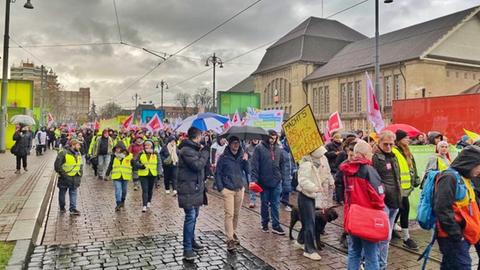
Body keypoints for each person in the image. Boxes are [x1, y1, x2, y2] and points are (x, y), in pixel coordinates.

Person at [339, 141, 385, 270]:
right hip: (368, 217)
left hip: (352, 216)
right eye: (370, 152)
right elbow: (378, 196)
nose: (371, 155)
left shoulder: (347, 170)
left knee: (354, 251)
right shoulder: (369, 170)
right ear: (364, 154)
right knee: (371, 255)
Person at [434, 146, 480, 269]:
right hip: (454, 237)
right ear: (470, 163)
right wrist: (456, 234)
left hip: (462, 235)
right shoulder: (449, 177)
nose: (479, 171)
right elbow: (442, 208)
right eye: (478, 166)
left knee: (449, 265)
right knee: (462, 266)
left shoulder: (464, 177)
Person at [177, 127, 210, 262]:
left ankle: (191, 241)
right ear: (197, 136)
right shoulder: (187, 151)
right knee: (190, 217)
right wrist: (205, 153)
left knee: (195, 216)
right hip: (188, 188)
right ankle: (187, 248)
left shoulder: (195, 149)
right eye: (201, 135)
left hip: (195, 188)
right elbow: (197, 165)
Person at [295, 146, 333, 261]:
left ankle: (300, 241)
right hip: (306, 196)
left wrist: (330, 181)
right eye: (320, 155)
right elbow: (302, 181)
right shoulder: (306, 164)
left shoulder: (317, 162)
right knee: (310, 222)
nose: (322, 157)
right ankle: (309, 250)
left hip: (312, 196)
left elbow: (326, 172)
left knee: (309, 221)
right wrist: (315, 188)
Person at [372, 131, 401, 269]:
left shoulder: (394, 157)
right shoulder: (376, 158)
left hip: (395, 200)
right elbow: (375, 180)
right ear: (379, 142)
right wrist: (381, 196)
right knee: (383, 237)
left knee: (387, 238)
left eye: (391, 144)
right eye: (386, 144)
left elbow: (397, 179)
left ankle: (382, 264)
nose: (389, 146)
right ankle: (379, 264)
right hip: (384, 201)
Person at [215, 136, 249, 251]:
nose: (236, 145)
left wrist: (246, 160)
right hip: (228, 189)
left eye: (237, 143)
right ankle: (229, 239)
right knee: (229, 213)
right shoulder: (223, 157)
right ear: (229, 144)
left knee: (236, 213)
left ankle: (233, 232)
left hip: (239, 188)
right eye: (234, 143)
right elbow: (218, 173)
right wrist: (221, 188)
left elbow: (248, 170)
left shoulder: (241, 156)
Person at [251, 129, 287, 235]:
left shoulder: (279, 149)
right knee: (265, 204)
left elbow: (283, 165)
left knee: (275, 204)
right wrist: (254, 180)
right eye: (271, 137)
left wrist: (283, 178)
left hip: (276, 181)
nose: (273, 139)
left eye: (275, 137)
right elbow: (254, 165)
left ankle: (276, 225)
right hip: (264, 181)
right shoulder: (259, 148)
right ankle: (265, 223)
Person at [391, 130, 420, 250]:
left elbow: (412, 166)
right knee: (400, 210)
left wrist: (416, 178)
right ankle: (406, 238)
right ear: (399, 139)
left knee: (400, 211)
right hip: (397, 189)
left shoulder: (407, 151)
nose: (408, 139)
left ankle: (400, 233)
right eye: (406, 138)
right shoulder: (394, 152)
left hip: (405, 189)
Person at [54, 139, 83, 215]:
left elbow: (80, 165)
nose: (79, 146)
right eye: (78, 145)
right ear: (73, 145)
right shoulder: (63, 153)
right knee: (62, 192)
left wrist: (80, 174)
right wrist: (64, 175)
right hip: (65, 178)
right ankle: (62, 207)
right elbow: (57, 166)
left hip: (75, 177)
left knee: (73, 192)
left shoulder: (78, 153)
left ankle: (73, 208)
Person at [106, 143, 134, 212]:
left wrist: (140, 166)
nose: (117, 150)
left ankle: (122, 200)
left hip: (125, 176)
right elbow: (110, 164)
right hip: (116, 176)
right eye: (116, 148)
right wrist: (107, 173)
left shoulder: (129, 156)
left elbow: (134, 164)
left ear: (122, 148)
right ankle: (118, 204)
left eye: (119, 148)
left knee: (124, 190)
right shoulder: (114, 156)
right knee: (118, 190)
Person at [137, 140, 161, 212]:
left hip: (152, 174)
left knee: (150, 189)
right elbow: (135, 162)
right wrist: (140, 166)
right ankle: (144, 205)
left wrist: (159, 172)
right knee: (145, 190)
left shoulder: (155, 153)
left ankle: (148, 202)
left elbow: (159, 163)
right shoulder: (141, 153)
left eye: (148, 145)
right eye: (145, 145)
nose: (147, 147)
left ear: (152, 146)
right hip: (143, 174)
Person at [246, 139, 260, 208]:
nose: (255, 139)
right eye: (254, 138)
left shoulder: (261, 147)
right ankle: (252, 200)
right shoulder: (248, 148)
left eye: (257, 138)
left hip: (260, 170)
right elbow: (245, 158)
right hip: (251, 170)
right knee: (252, 185)